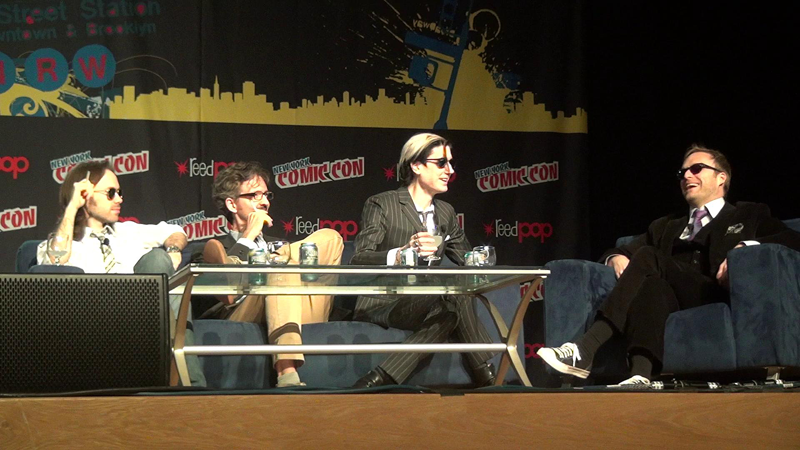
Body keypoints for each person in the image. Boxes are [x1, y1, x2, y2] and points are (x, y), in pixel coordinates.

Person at [537, 144, 800, 386]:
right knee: (651, 285)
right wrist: (615, 257)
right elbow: (621, 250)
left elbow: (792, 239)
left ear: (722, 177)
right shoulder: (666, 226)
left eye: (697, 169)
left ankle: (585, 348)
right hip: (673, 297)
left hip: (715, 292)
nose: (687, 176)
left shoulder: (748, 213)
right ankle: (640, 375)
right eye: (682, 172)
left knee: (648, 257)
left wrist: (747, 246)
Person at [36, 159, 206, 387]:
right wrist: (72, 207)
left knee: (161, 266)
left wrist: (173, 250)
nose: (119, 199)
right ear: (84, 195)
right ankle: (187, 382)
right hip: (95, 324)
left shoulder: (128, 232)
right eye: (111, 193)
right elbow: (54, 261)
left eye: (120, 192)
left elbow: (175, 230)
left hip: (146, 320)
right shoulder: (63, 244)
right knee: (162, 272)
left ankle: (190, 383)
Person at [350, 132, 497, 388]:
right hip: (384, 301)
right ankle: (485, 373)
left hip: (428, 301)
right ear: (416, 166)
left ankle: (381, 377)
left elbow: (466, 259)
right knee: (452, 296)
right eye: (441, 163)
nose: (450, 170)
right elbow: (359, 258)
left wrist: (480, 258)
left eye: (450, 163)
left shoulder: (446, 212)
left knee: (451, 307)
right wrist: (402, 253)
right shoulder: (382, 204)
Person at [201, 161, 343, 388]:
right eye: (254, 195)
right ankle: (287, 373)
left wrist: (277, 256)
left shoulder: (281, 244)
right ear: (232, 204)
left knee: (330, 237)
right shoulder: (212, 250)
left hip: (298, 306)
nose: (265, 202)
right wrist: (248, 236)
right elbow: (218, 300)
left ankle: (276, 259)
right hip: (243, 312)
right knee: (280, 271)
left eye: (266, 195)